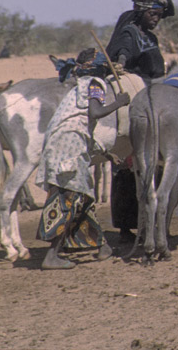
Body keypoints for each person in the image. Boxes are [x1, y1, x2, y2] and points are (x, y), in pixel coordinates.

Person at [35, 49, 131, 269]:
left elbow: (81, 124)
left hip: (64, 144)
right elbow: (95, 113)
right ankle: (51, 255)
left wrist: (106, 153)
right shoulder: (95, 84)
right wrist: (120, 102)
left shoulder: (80, 86)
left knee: (83, 197)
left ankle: (103, 247)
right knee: (68, 197)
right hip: (68, 147)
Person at [105, 0, 174, 243]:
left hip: (155, 95)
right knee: (128, 165)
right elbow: (122, 54)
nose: (156, 19)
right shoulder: (130, 33)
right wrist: (121, 63)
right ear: (142, 12)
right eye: (153, 14)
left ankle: (149, 220)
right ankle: (125, 225)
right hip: (136, 97)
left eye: (158, 15)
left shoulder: (150, 36)